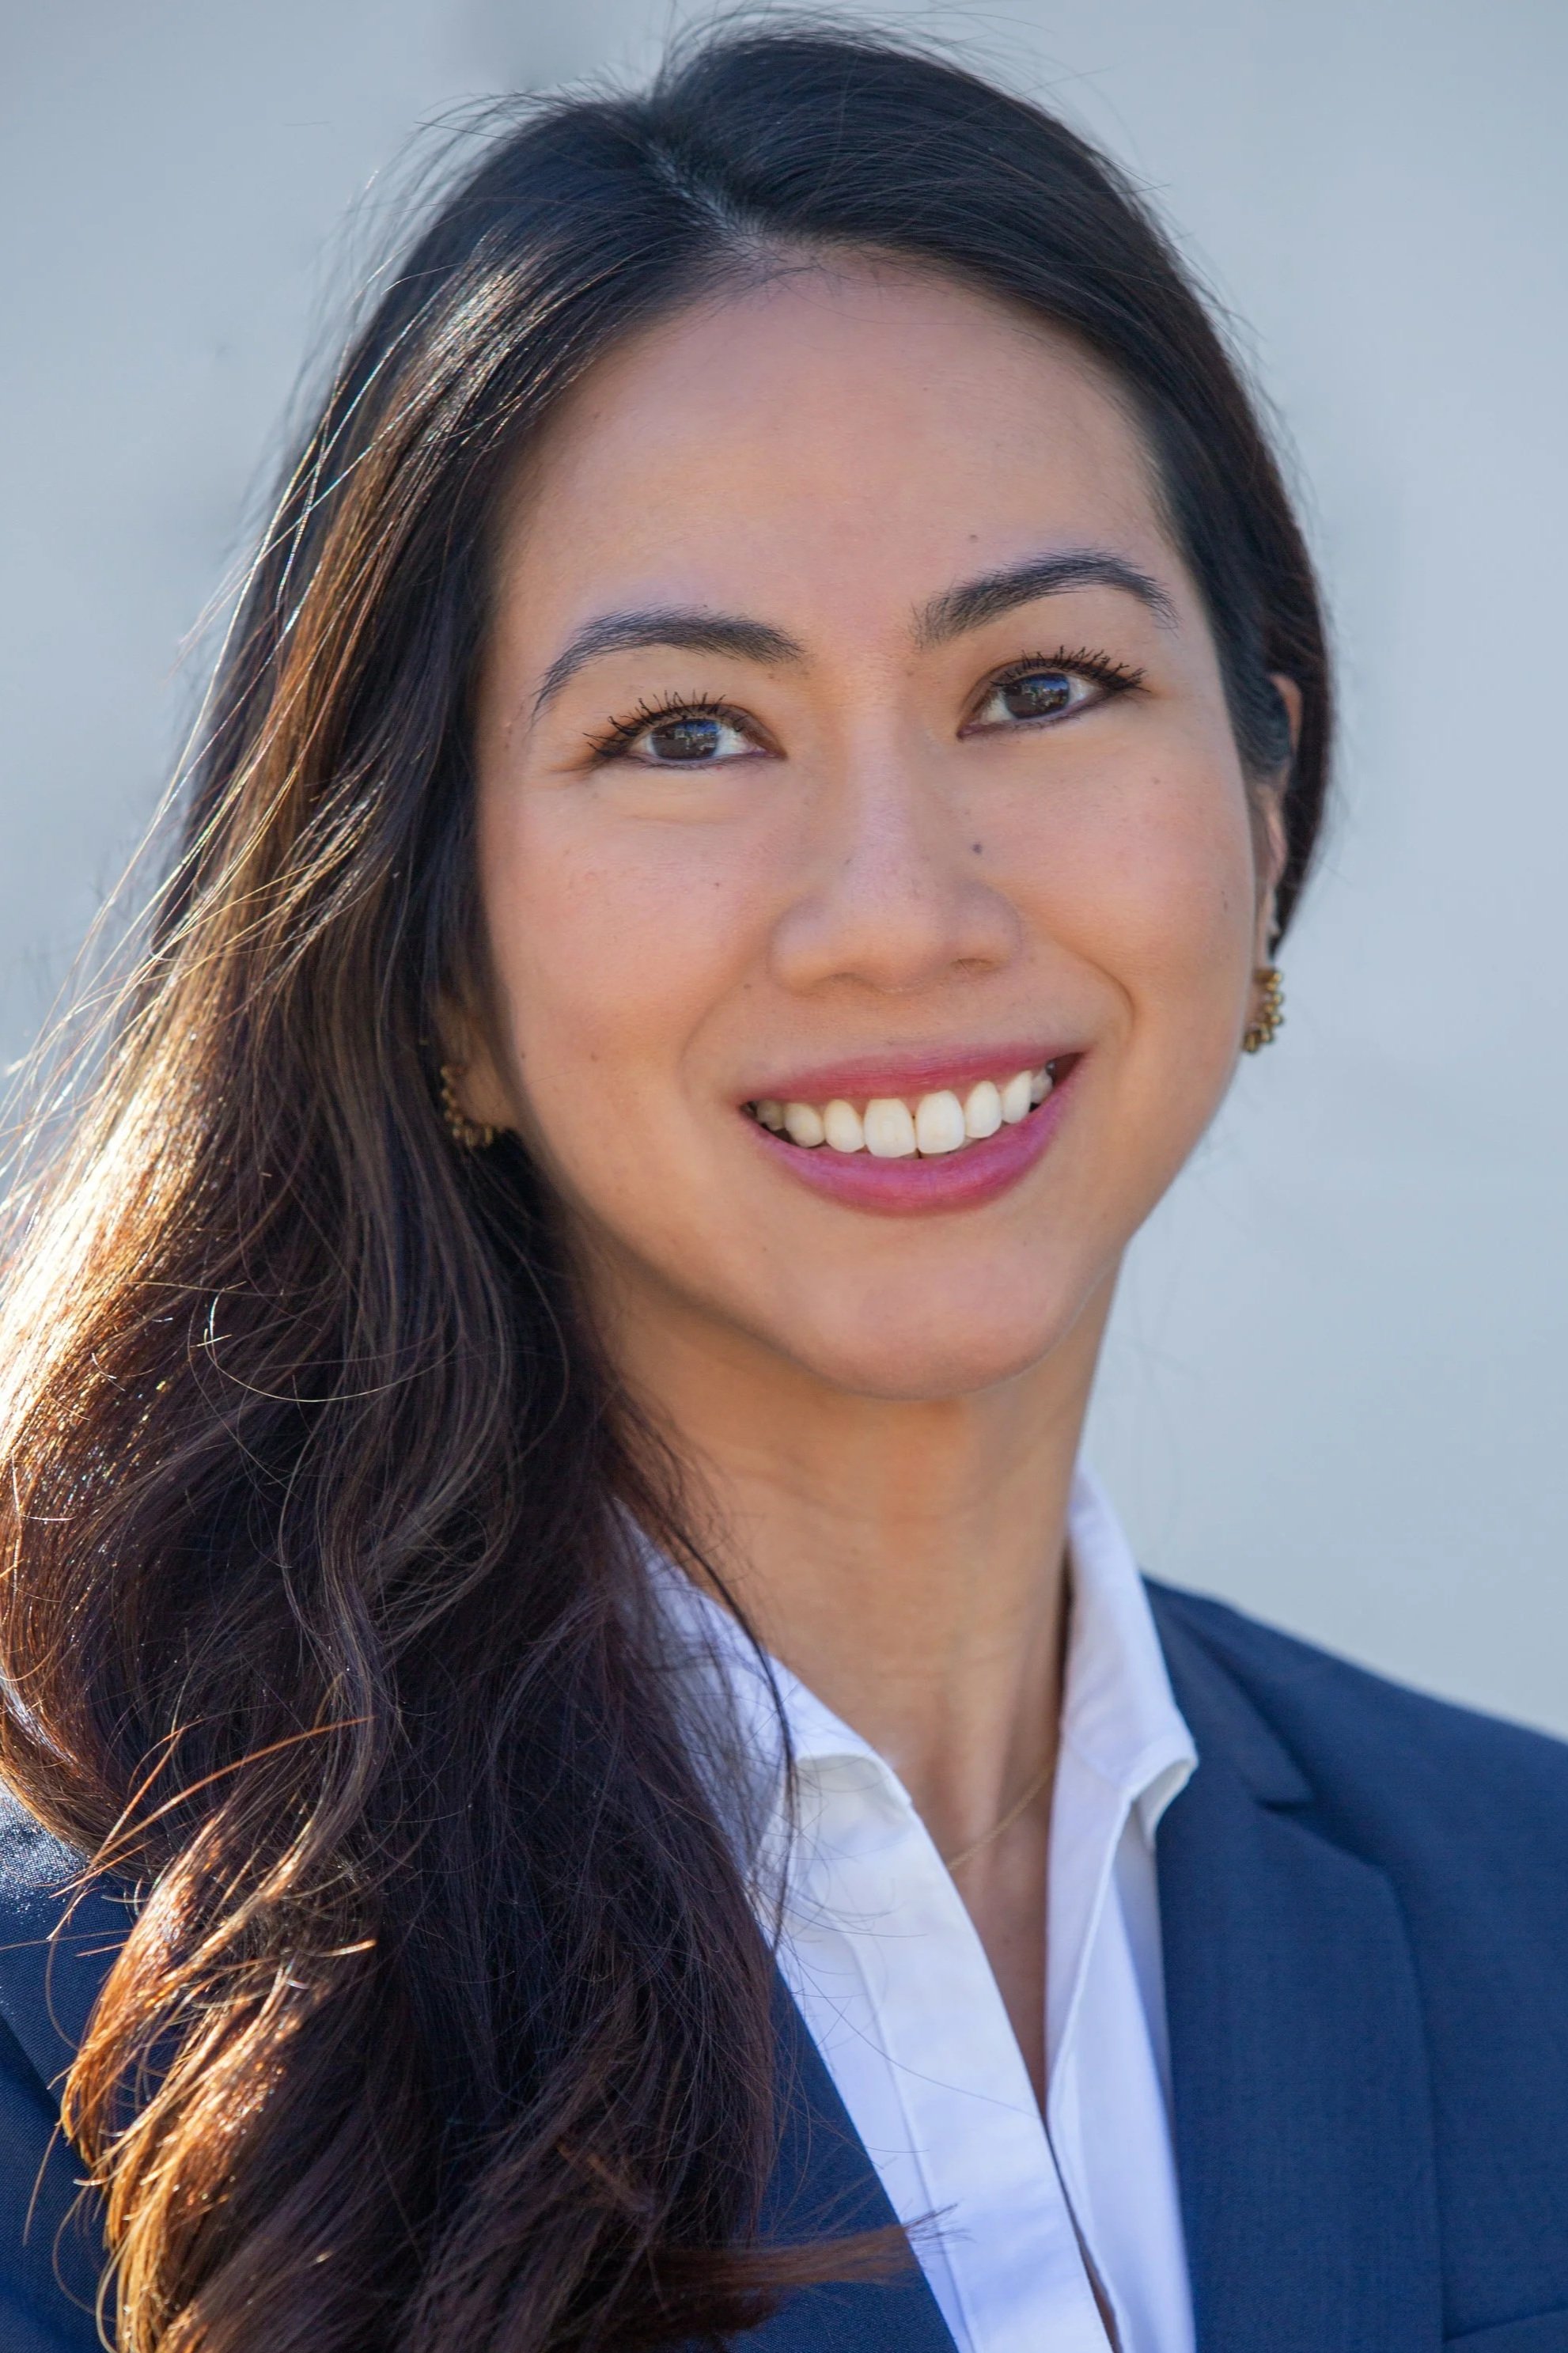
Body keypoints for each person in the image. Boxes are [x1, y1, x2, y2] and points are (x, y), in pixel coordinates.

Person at [0, 21, 1563, 2353]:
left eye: (1041, 687)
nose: (896, 909)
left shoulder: (1533, 1909)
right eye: (686, 734)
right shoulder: (91, 2042)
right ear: (431, 958)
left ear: (1264, 786)